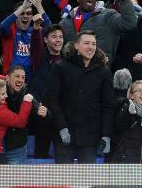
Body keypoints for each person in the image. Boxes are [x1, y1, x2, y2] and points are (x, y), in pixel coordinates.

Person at [47, 30, 115, 164]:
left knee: (87, 180)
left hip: (90, 137)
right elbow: (52, 99)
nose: (91, 47)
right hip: (64, 134)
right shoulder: (60, 67)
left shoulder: (103, 71)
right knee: (63, 181)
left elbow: (108, 106)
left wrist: (106, 135)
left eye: (94, 44)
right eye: (86, 43)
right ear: (76, 45)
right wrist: (61, 126)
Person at [0, 75, 33, 165]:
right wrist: (27, 102)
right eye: (2, 94)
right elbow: (20, 122)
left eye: (5, 92)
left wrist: (6, 79)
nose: (6, 95)